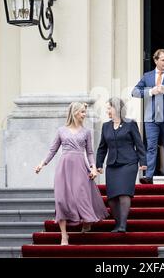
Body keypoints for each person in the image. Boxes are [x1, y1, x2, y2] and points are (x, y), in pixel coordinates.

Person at [35, 102, 109, 246]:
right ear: (75, 113)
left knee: (81, 197)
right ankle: (64, 235)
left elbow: (90, 152)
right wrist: (41, 164)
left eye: (84, 112)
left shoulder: (86, 132)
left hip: (81, 167)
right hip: (64, 168)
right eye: (82, 112)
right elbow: (53, 150)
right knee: (61, 200)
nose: (84, 114)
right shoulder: (61, 131)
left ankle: (87, 221)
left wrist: (93, 168)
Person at [132, 49, 164, 184]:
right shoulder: (147, 76)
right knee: (151, 146)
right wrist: (151, 91)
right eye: (163, 60)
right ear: (156, 60)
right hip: (151, 118)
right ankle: (149, 176)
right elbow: (135, 92)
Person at [96, 98, 147, 232]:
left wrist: (143, 162)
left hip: (129, 163)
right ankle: (117, 224)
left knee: (124, 194)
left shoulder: (130, 124)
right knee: (112, 197)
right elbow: (102, 147)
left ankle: (123, 225)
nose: (107, 111)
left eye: (109, 108)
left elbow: (139, 144)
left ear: (117, 108)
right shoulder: (106, 126)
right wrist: (99, 164)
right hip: (112, 165)